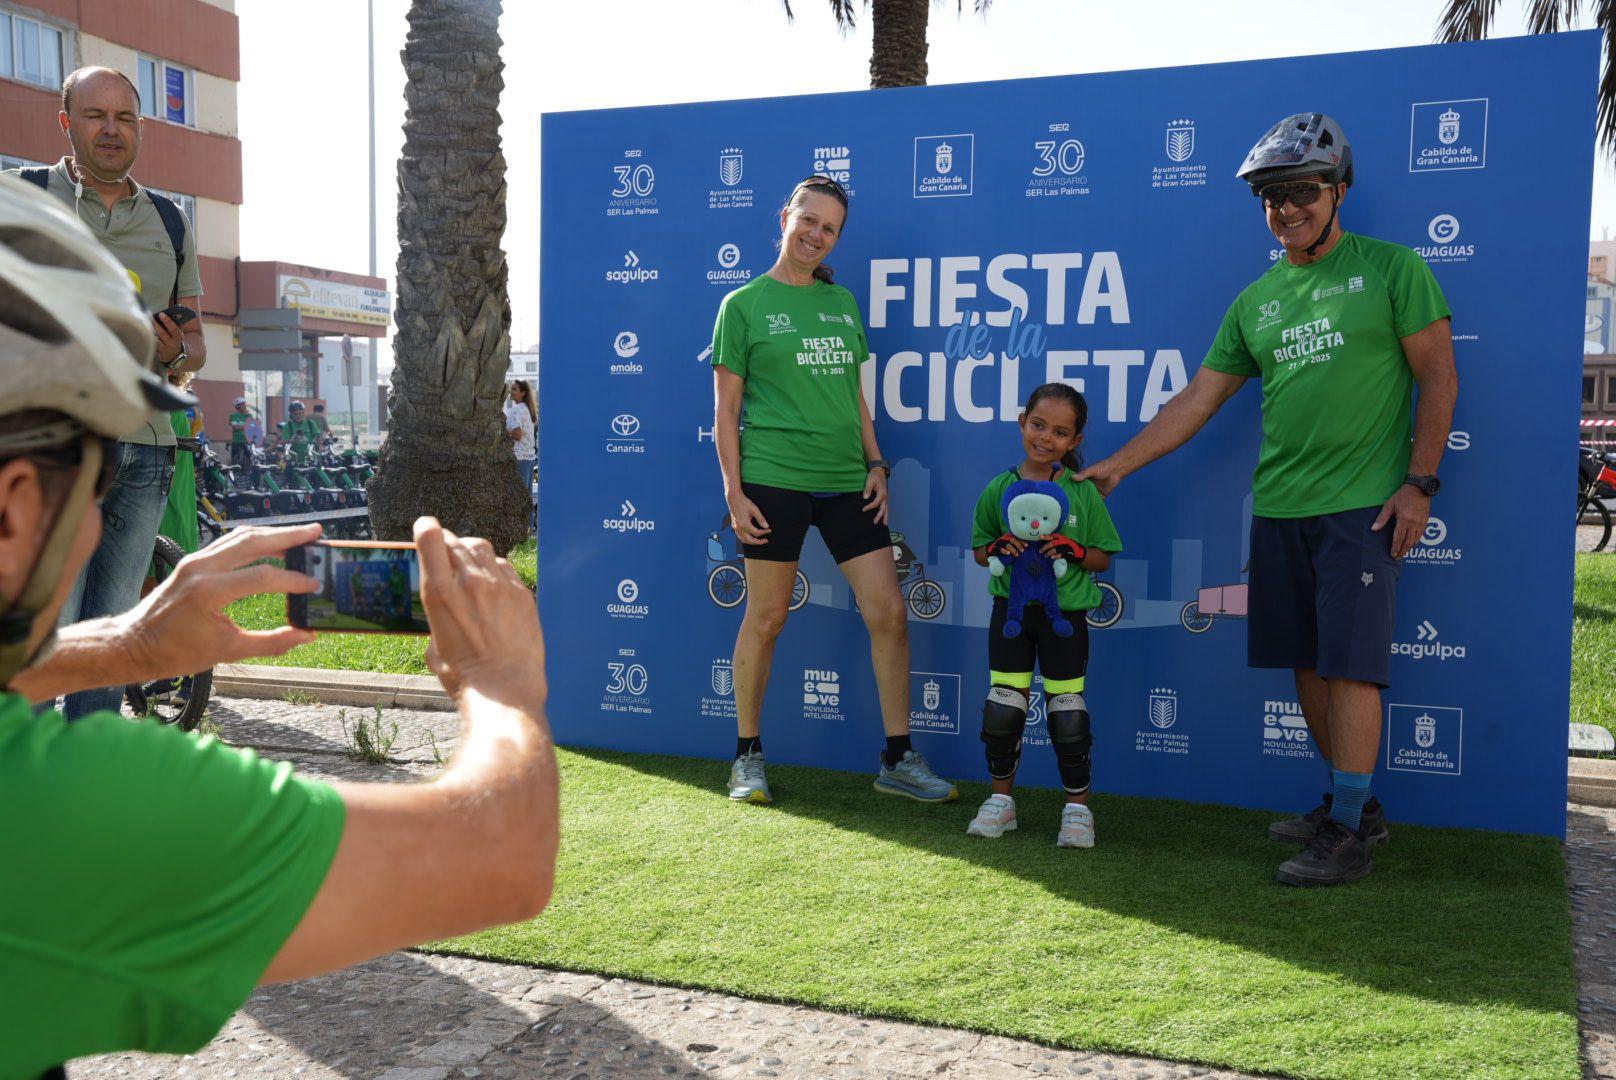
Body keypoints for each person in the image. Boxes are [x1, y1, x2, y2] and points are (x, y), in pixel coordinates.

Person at [0, 173, 559, 1078]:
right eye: (96, 477)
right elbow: (501, 857)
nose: (102, 523)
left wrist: (126, 646)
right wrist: (504, 684)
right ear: (14, 510)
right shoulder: (53, 805)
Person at [1080, 113, 1458, 887]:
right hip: (1280, 510)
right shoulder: (1256, 300)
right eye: (1270, 197)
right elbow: (1197, 400)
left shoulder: (1392, 269)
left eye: (1300, 192)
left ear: (1338, 191)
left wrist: (1419, 483)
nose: (1286, 208)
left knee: (1351, 670)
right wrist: (1119, 464)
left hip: (1363, 508)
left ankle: (1348, 834)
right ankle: (1355, 806)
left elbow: (1440, 376)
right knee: (1308, 669)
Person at [711, 175, 955, 806]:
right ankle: (747, 758)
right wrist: (735, 494)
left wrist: (878, 465)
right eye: (808, 220)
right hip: (773, 483)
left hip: (848, 482)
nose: (816, 235)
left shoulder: (841, 305)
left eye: (830, 228)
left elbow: (855, 398)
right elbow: (725, 411)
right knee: (765, 617)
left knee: (890, 614)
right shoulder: (743, 305)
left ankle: (898, 758)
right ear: (784, 214)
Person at [5, 65, 207, 722]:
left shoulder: (171, 221)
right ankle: (26, 792)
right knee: (41, 637)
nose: (112, 130)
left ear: (140, 127)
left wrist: (175, 348)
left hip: (146, 452)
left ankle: (86, 788)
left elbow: (196, 347)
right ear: (67, 123)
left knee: (110, 638)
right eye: (96, 116)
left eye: (125, 117)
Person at [966, 384, 1122, 848]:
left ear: (1073, 442)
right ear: (1022, 423)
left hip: (1065, 617)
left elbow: (1102, 558)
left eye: (1060, 432)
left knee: (1068, 714)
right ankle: (1001, 803)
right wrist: (995, 549)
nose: (1045, 438)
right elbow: (979, 550)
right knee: (1003, 708)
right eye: (1038, 425)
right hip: (1011, 613)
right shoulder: (998, 487)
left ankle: (1078, 810)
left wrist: (1075, 552)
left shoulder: (1082, 493)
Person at [505, 380, 537, 529]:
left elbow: (517, 435)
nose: (511, 391)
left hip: (519, 457)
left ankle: (519, 528)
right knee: (527, 493)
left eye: (514, 389)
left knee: (518, 494)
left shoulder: (515, 410)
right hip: (529, 456)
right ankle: (528, 526)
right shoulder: (528, 409)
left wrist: (503, 432)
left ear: (523, 393)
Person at [228, 397, 254, 472]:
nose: (245, 406)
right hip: (236, 442)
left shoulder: (249, 416)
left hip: (247, 442)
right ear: (238, 406)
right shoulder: (233, 416)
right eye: (243, 404)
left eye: (245, 404)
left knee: (248, 461)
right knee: (234, 463)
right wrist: (247, 425)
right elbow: (236, 427)